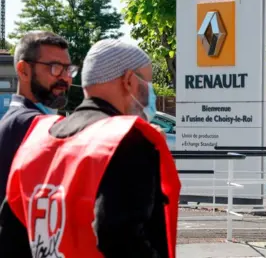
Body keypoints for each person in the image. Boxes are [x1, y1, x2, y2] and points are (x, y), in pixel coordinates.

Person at [0, 39, 181, 258]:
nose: (151, 93)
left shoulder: (38, 139)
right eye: (148, 83)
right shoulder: (127, 140)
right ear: (129, 81)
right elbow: (119, 238)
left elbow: (11, 233)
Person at [0, 31, 76, 203]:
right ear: (24, 71)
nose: (65, 78)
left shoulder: (13, 120)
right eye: (55, 68)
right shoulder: (32, 125)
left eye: (68, 69)